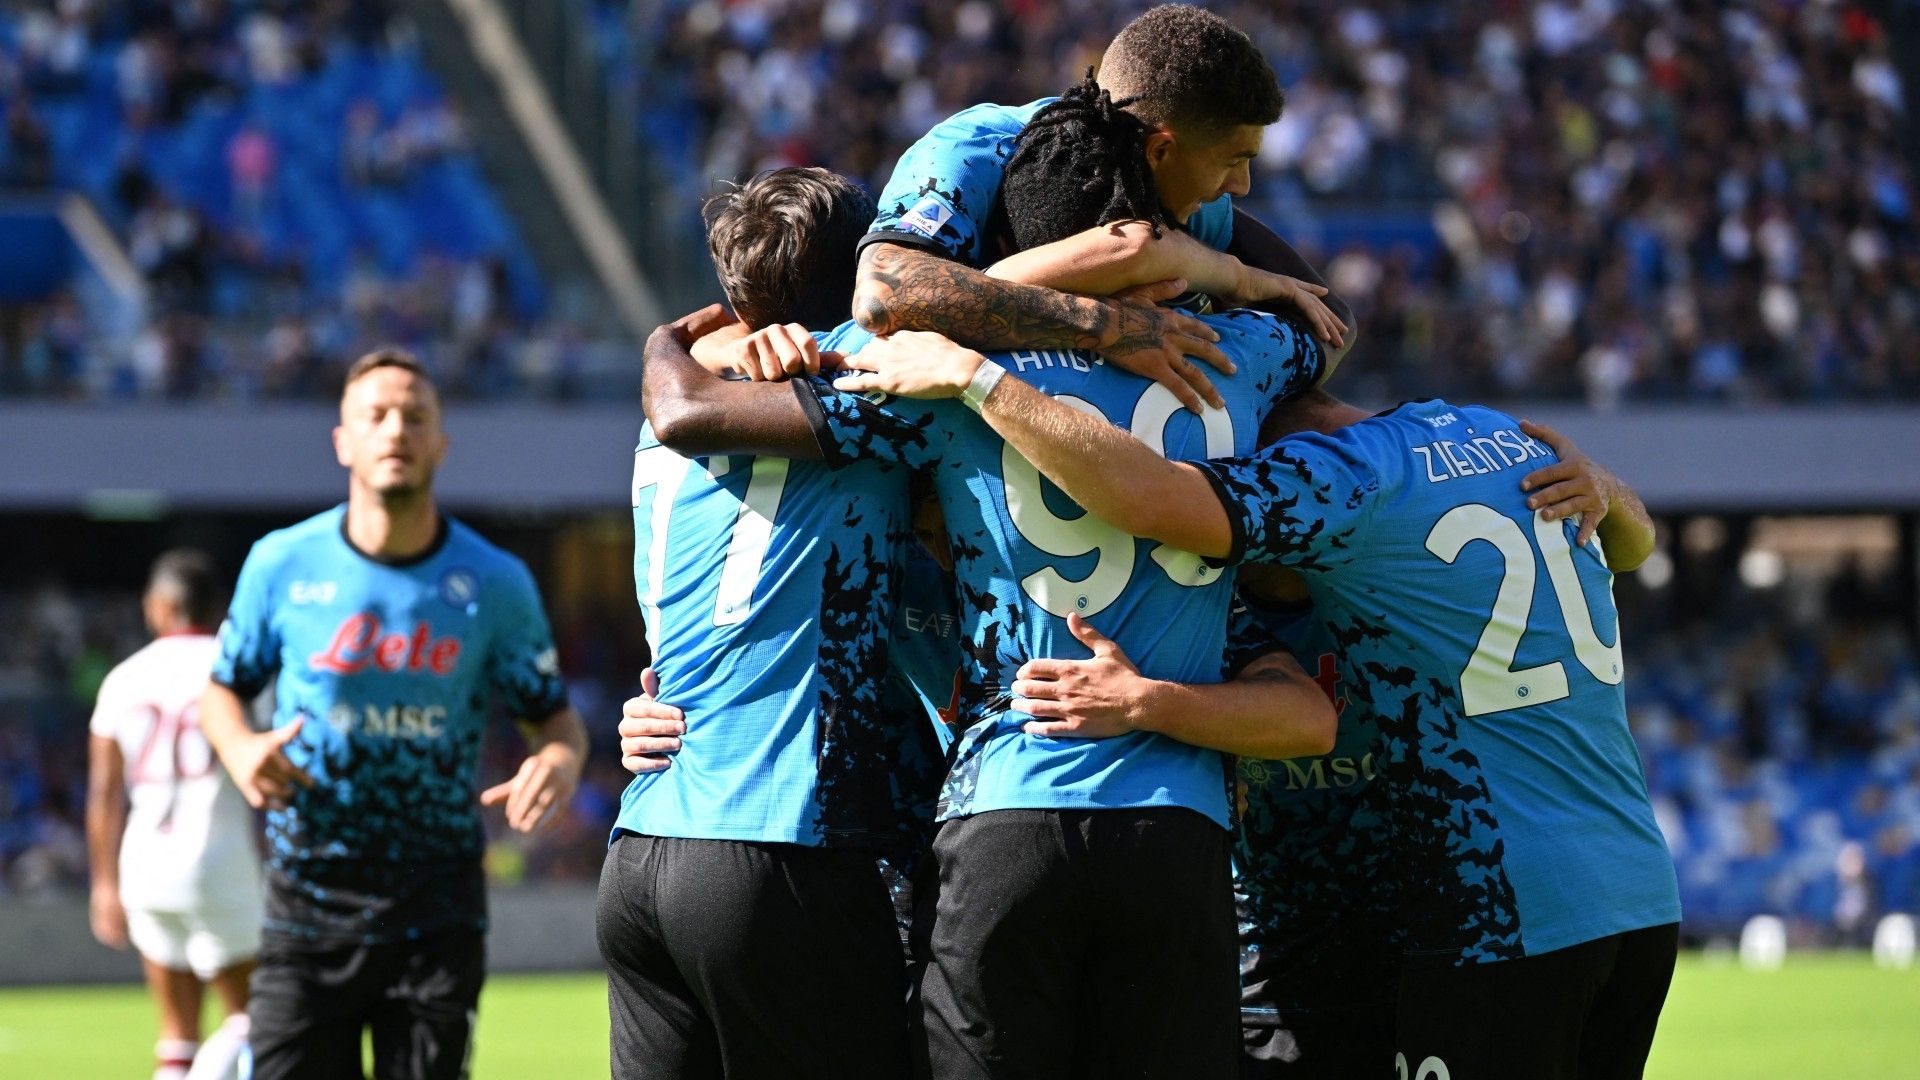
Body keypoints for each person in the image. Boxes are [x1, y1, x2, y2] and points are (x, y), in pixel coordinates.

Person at [638, 87, 1339, 1075]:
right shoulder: (1248, 354)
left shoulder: (933, 377)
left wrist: (674, 342)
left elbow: (691, 410)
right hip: (1177, 823)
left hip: (995, 809)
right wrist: (1204, 259)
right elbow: (1325, 317)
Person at [833, 336, 1681, 1078]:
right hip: (1635, 895)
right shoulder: (1493, 438)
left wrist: (977, 379)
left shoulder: (1341, 480)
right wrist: (1613, 490)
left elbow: (1156, 500)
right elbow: (1630, 543)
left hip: (1501, 911)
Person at [597, 168, 953, 1080]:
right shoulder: (867, 389)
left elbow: (679, 398)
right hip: (780, 840)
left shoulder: (665, 410)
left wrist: (668, 338)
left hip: (643, 856)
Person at [200, 349, 589, 1080]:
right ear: (343, 441)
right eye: (375, 416)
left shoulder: (496, 584)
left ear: (440, 442)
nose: (396, 431)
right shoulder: (279, 564)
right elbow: (221, 690)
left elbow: (556, 720)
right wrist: (240, 748)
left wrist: (559, 761)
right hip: (305, 904)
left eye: (415, 417)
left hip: (436, 909)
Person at [854, 3, 1353, 417]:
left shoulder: (1185, 188)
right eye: (1233, 162)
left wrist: (1229, 370)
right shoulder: (969, 155)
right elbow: (884, 297)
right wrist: (1104, 328)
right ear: (1161, 150)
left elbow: (1330, 319)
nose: (1240, 187)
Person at [87, 549, 259, 1080]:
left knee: (176, 1036)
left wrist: (104, 884)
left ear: (157, 606)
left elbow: (104, 792)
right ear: (220, 605)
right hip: (223, 858)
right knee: (257, 1020)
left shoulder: (124, 678)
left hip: (146, 863)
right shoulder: (238, 669)